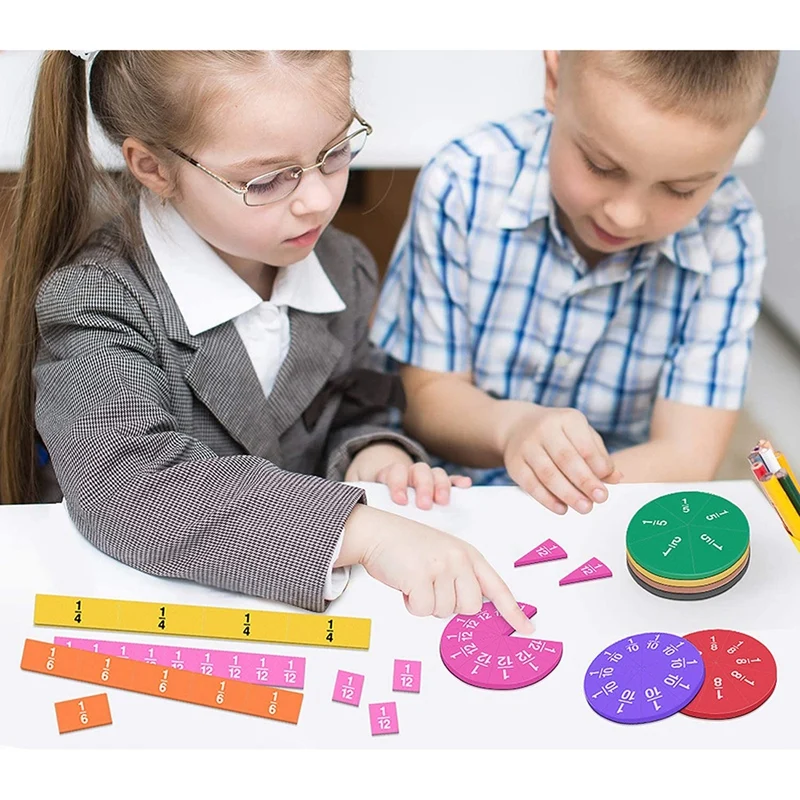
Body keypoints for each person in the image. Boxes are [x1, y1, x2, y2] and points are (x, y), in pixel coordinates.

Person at [0, 50, 531, 632]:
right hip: (142, 616)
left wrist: (373, 457)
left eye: (335, 152)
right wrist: (359, 530)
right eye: (268, 179)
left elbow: (354, 405)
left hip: (298, 616)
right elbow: (130, 488)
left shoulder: (344, 268)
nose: (318, 200)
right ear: (152, 167)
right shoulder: (98, 297)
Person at [371, 50, 779, 517]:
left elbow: (687, 455)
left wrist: (563, 500)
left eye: (679, 189)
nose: (626, 215)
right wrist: (513, 428)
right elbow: (427, 398)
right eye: (601, 166)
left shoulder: (729, 232)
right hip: (451, 490)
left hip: (614, 499)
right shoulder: (462, 182)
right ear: (554, 80)